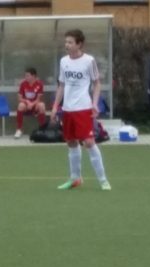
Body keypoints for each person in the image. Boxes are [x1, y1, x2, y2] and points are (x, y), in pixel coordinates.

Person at [51, 29, 111, 191]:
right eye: (66, 42)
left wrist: (95, 103)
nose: (67, 45)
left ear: (79, 44)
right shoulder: (64, 61)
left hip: (83, 108)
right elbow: (62, 85)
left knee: (89, 142)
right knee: (71, 142)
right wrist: (55, 107)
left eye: (70, 42)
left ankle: (103, 180)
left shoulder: (89, 61)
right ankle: (75, 178)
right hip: (68, 109)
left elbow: (97, 83)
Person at [15, 67, 47, 138]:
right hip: (26, 105)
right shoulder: (23, 84)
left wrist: (32, 104)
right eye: (25, 75)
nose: (26, 77)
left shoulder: (39, 84)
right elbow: (20, 98)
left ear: (33, 76)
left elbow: (38, 99)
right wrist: (27, 102)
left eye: (27, 75)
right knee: (20, 105)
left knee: (42, 105)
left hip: (35, 105)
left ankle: (41, 129)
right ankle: (19, 130)